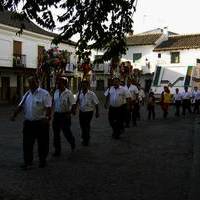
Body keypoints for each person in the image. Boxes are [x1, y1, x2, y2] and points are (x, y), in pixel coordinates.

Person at [11, 76, 52, 169]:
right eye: (29, 82)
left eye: (33, 82)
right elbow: (20, 106)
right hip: (28, 123)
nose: (31, 84)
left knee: (42, 143)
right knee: (27, 144)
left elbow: (48, 108)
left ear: (38, 82)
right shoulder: (27, 94)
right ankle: (28, 161)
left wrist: (47, 118)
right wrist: (14, 115)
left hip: (41, 123)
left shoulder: (44, 94)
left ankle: (42, 160)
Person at [52, 76, 76, 156]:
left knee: (66, 132)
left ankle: (72, 141)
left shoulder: (68, 93)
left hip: (65, 115)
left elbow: (73, 104)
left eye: (59, 82)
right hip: (56, 115)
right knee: (56, 134)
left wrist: (70, 113)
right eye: (57, 82)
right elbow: (53, 103)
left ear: (64, 84)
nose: (58, 84)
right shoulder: (55, 92)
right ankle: (57, 150)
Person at [76, 80, 99, 146]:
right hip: (81, 112)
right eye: (83, 85)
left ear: (88, 86)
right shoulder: (79, 93)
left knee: (86, 125)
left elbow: (96, 103)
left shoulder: (92, 94)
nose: (84, 86)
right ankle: (85, 137)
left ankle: (86, 139)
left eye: (85, 85)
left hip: (89, 112)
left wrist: (97, 112)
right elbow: (76, 102)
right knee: (82, 125)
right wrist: (74, 109)